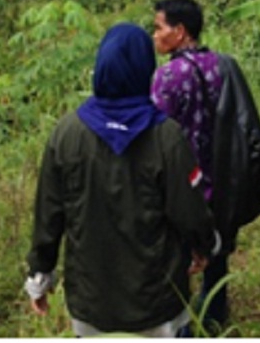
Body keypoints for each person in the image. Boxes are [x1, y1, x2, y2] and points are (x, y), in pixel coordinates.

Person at [24, 22, 220, 338]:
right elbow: (191, 211)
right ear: (145, 70)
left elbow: (48, 216)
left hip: (91, 305)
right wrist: (204, 247)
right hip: (159, 304)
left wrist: (38, 278)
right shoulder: (166, 137)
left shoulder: (67, 133)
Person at [151, 0, 260, 330]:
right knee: (217, 252)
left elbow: (155, 136)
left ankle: (182, 328)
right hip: (224, 177)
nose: (154, 35)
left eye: (159, 27)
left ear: (180, 31)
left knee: (177, 261)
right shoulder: (224, 65)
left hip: (184, 184)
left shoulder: (167, 77)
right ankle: (214, 317)